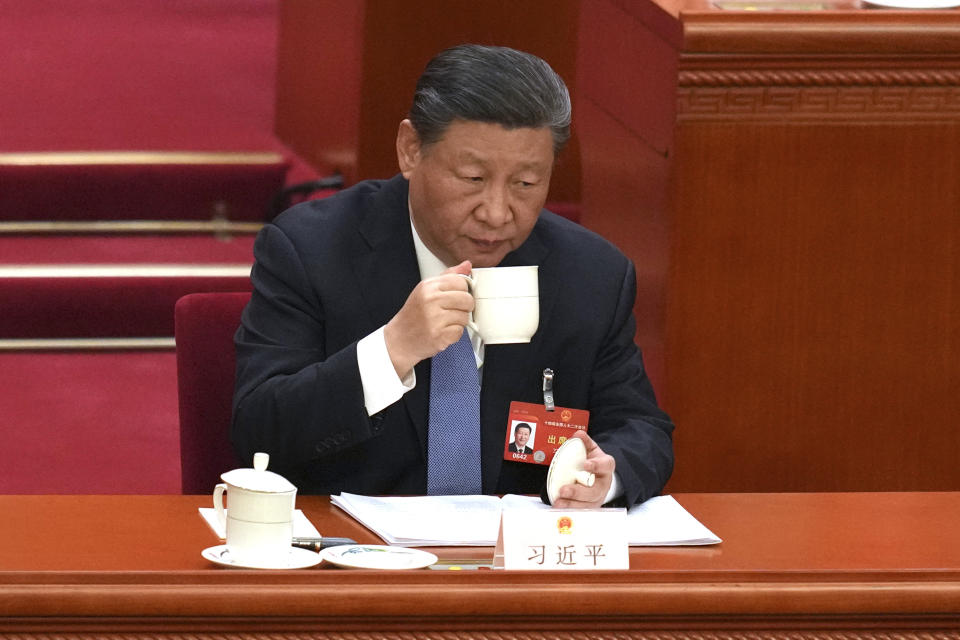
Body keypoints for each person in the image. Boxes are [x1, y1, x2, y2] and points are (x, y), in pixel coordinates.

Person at [232, 44, 674, 508]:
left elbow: (641, 429)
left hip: (519, 564)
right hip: (355, 557)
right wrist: (391, 349)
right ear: (410, 150)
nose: (498, 213)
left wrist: (610, 475)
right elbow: (260, 432)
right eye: (472, 178)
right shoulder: (311, 250)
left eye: (526, 183)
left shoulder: (591, 275)